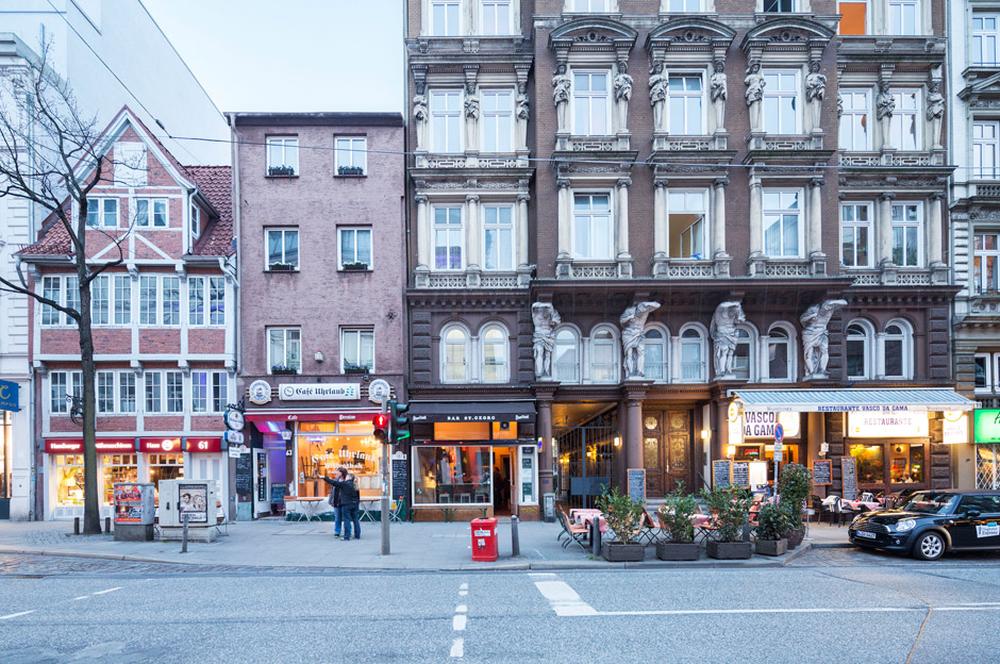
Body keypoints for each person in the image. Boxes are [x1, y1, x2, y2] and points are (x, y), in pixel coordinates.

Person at [324, 471, 360, 540]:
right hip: (355, 504)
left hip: (346, 505)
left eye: (347, 476)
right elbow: (358, 497)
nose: (345, 477)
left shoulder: (345, 484)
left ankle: (347, 536)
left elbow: (334, 483)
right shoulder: (355, 485)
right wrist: (357, 503)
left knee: (347, 520)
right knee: (356, 520)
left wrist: (325, 478)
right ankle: (357, 535)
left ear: (349, 477)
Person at [324, 466, 347, 537]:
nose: (336, 472)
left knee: (346, 518)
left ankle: (347, 532)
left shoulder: (346, 481)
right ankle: (337, 531)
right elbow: (332, 492)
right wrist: (331, 500)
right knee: (337, 517)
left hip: (344, 502)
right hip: (336, 501)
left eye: (337, 471)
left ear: (341, 473)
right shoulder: (336, 480)